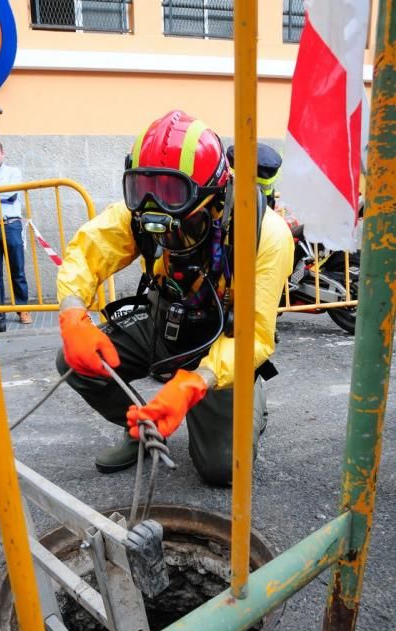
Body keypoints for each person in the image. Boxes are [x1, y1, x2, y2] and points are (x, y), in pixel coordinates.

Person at [56, 110, 294, 486]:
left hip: (223, 340)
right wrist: (72, 315)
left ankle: (250, 400)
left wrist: (197, 381)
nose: (154, 205)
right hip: (164, 319)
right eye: (142, 189)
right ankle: (143, 426)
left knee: (222, 470)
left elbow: (256, 337)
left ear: (213, 192)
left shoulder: (266, 235)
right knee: (74, 363)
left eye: (171, 192)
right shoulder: (141, 211)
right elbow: (88, 251)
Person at [0, 140, 32, 331]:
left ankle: (22, 308)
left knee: (17, 269)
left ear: (2, 154)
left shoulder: (13, 172)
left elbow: (10, 194)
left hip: (10, 224)